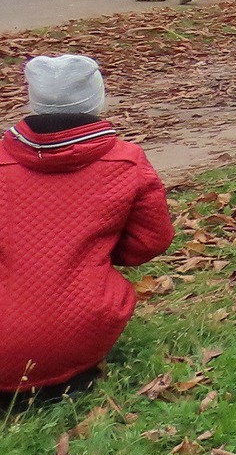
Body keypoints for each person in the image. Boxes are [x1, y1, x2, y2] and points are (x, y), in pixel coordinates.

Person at [1, 55, 173, 400]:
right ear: (97, 99)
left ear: (33, 100)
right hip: (78, 336)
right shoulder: (126, 161)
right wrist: (91, 252)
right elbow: (150, 241)